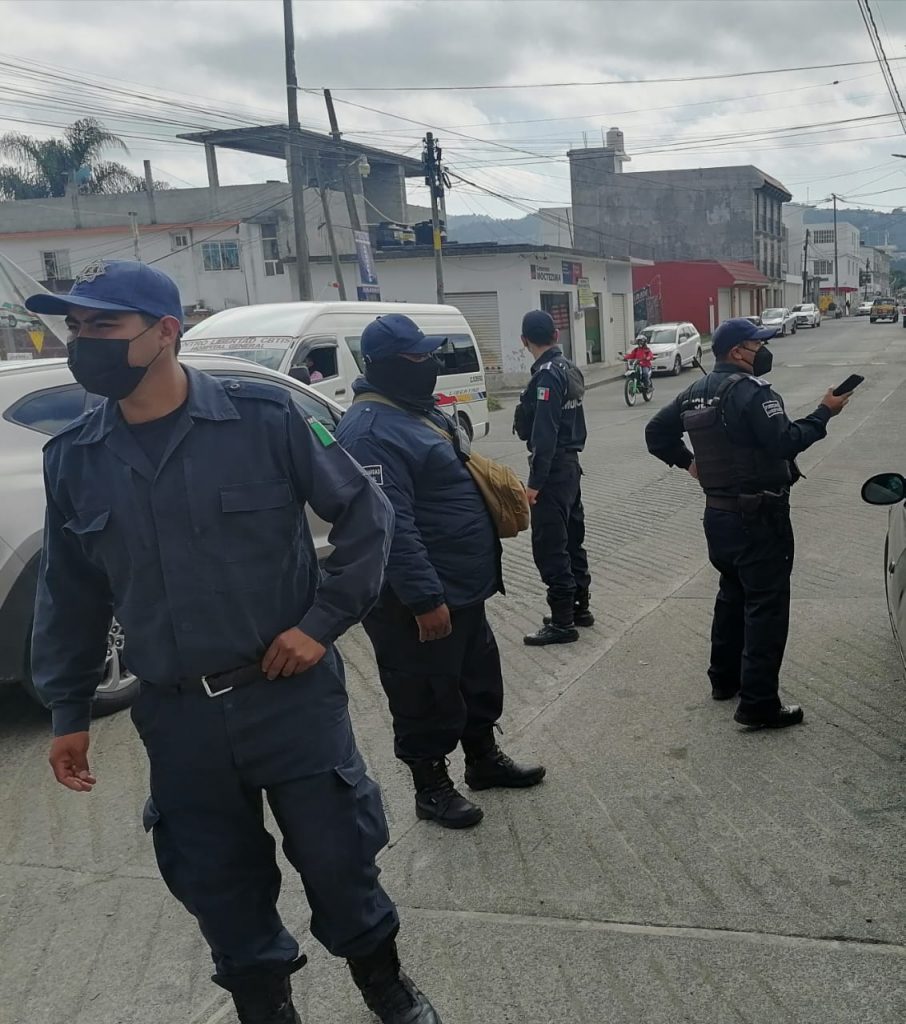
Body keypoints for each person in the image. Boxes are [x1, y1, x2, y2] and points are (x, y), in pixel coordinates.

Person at [25, 261, 440, 1024]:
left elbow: (367, 517)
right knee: (217, 878)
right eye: (76, 328)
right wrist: (69, 712)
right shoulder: (75, 458)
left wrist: (319, 626)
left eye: (103, 327)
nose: (84, 342)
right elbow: (71, 594)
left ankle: (385, 986)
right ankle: (265, 1008)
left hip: (287, 698)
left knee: (337, 857)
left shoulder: (266, 418)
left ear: (165, 333)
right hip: (177, 717)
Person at [334, 313, 545, 830]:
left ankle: (483, 760)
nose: (430, 364)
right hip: (417, 600)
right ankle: (431, 787)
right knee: (423, 691)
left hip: (463, 585)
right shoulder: (369, 431)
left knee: (476, 678)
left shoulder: (417, 412)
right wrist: (425, 599)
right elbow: (391, 526)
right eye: (418, 357)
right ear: (385, 365)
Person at [644, 317, 852, 730]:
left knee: (732, 594)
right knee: (766, 606)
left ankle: (724, 679)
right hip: (759, 517)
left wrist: (690, 464)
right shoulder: (750, 393)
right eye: (757, 345)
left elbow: (656, 432)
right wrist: (824, 412)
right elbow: (786, 441)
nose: (763, 352)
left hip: (718, 515)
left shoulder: (695, 392)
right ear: (738, 351)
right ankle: (758, 703)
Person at [513, 310, 592, 646]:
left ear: (524, 341)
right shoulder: (568, 367)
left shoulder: (546, 375)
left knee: (549, 545)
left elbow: (544, 435)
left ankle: (562, 622)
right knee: (572, 538)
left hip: (553, 471)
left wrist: (534, 484)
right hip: (570, 467)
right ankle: (579, 608)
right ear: (556, 335)